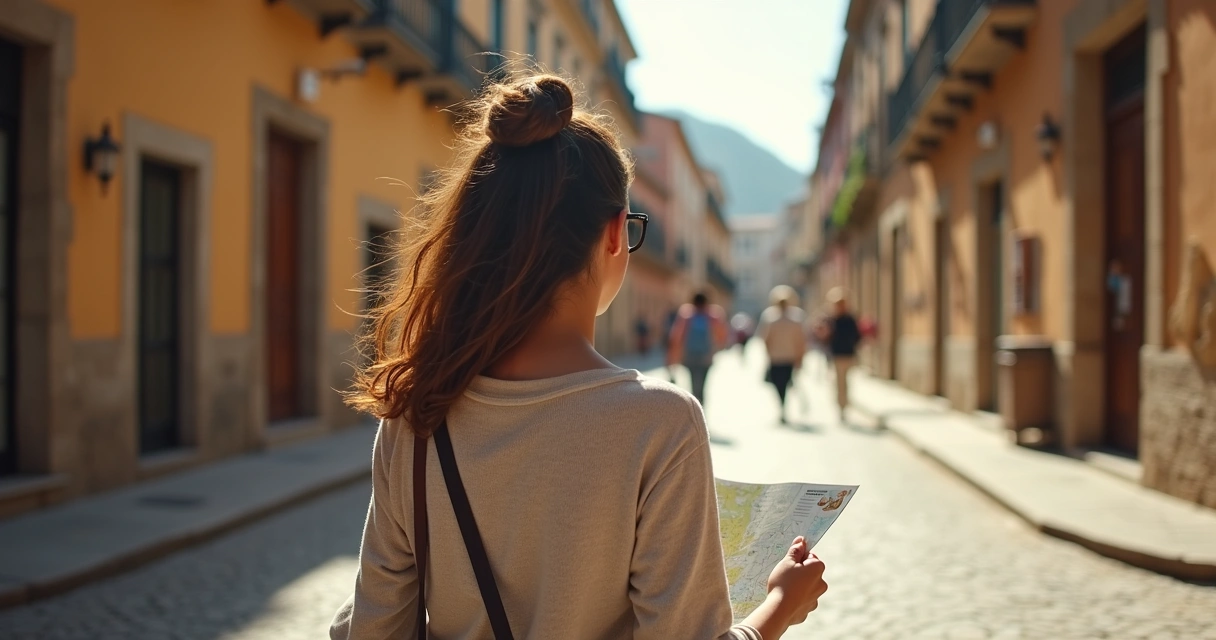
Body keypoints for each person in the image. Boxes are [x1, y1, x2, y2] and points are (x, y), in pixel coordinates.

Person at [332, 74, 826, 640]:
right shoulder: (661, 425)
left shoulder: (414, 417)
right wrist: (781, 606)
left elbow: (373, 630)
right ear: (616, 233)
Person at [667, 292, 728, 408]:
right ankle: (700, 406)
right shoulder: (712, 315)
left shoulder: (686, 315)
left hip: (690, 355)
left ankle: (695, 406)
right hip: (706, 356)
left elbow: (676, 337)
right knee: (703, 383)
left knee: (693, 382)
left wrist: (672, 359)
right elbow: (722, 334)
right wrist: (717, 346)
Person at [757, 285, 807, 423]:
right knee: (783, 383)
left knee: (780, 383)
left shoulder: (772, 317)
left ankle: (782, 406)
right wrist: (800, 357)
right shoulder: (793, 317)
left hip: (778, 357)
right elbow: (801, 341)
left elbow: (765, 338)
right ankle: (783, 406)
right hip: (786, 357)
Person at [826, 287, 862, 423]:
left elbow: (857, 336)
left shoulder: (849, 319)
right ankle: (842, 405)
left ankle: (843, 403)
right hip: (837, 355)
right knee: (839, 382)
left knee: (844, 382)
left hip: (847, 354)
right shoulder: (832, 320)